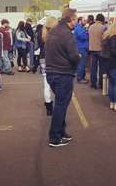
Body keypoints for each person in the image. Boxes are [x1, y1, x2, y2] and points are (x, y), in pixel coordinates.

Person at [45, 8, 81, 148]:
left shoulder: (53, 31)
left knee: (61, 104)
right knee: (61, 105)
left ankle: (60, 132)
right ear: (70, 20)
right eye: (75, 20)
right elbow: (73, 55)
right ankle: (54, 137)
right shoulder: (66, 34)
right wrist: (79, 58)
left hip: (52, 73)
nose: (76, 23)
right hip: (62, 74)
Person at [40, 17, 58, 116]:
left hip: (43, 59)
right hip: (53, 59)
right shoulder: (55, 35)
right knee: (56, 83)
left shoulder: (43, 34)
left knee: (46, 84)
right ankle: (55, 104)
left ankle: (48, 106)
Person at [88, 14, 106, 90]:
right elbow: (105, 38)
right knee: (102, 68)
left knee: (93, 67)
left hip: (92, 49)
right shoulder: (103, 27)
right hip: (100, 49)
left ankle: (93, 83)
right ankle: (101, 84)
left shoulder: (90, 27)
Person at [74, 17, 89, 84]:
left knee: (83, 63)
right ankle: (80, 78)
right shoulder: (78, 28)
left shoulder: (80, 28)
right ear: (80, 21)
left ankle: (82, 77)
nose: (85, 22)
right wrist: (86, 33)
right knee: (81, 64)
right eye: (84, 20)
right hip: (81, 48)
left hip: (82, 47)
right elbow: (83, 36)